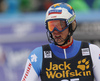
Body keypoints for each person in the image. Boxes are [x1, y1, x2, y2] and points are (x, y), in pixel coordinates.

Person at [21, 3, 100, 81]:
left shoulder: (92, 51)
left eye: (60, 25)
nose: (55, 31)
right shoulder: (38, 55)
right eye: (51, 26)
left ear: (72, 24)